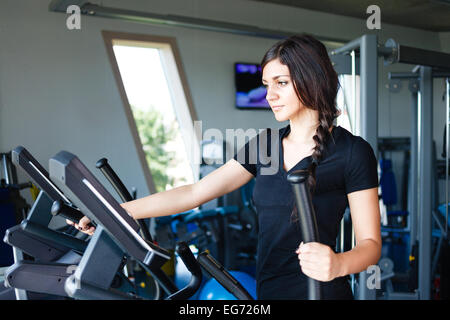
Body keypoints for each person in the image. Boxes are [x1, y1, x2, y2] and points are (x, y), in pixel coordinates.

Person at [69, 34, 381, 300]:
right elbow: (194, 193)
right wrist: (111, 211)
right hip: (269, 290)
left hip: (322, 292)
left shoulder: (353, 152)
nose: (269, 95)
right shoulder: (264, 146)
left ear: (310, 80)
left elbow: (370, 245)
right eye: (266, 84)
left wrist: (339, 264)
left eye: (281, 83)